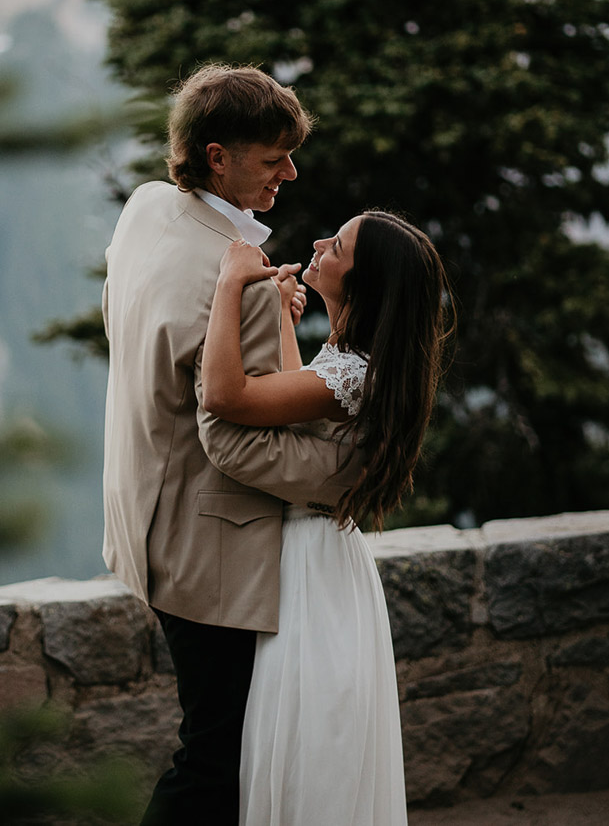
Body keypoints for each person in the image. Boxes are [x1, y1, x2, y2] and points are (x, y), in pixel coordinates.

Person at [101, 64, 365, 826]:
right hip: (210, 547)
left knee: (211, 744)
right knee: (216, 758)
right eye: (271, 155)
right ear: (216, 156)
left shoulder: (147, 209)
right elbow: (246, 442)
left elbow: (126, 320)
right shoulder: (241, 287)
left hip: (138, 511)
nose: (291, 169)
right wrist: (346, 480)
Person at [201, 211, 452, 826]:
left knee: (304, 738)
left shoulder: (352, 372)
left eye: (335, 245)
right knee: (317, 740)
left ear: (362, 284)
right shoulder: (356, 363)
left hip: (309, 570)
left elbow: (226, 396)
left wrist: (230, 286)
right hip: (329, 561)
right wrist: (288, 322)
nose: (318, 244)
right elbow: (299, 397)